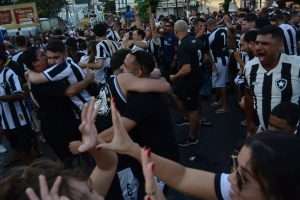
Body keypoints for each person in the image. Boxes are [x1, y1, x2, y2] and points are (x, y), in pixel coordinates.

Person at [75, 96, 300, 200]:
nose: (229, 179)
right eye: (235, 168)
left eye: (243, 178)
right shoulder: (237, 191)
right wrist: (132, 149)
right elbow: (183, 176)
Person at [244, 25, 300, 135]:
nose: (258, 48)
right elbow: (249, 97)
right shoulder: (250, 67)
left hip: (293, 137)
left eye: (265, 44)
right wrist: (250, 123)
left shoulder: (296, 65)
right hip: (263, 133)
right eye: (257, 43)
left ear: (280, 46)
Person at [26, 39, 91, 116]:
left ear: (65, 54)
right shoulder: (68, 61)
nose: (52, 61)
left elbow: (35, 79)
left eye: (56, 57)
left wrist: (29, 72)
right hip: (86, 107)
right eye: (49, 58)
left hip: (88, 109)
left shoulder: (62, 67)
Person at [170, 20, 201, 147]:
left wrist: (174, 76)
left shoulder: (184, 45)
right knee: (186, 101)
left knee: (192, 109)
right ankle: (191, 121)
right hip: (196, 78)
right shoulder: (194, 40)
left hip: (190, 80)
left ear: (176, 31)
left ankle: (192, 137)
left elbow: (187, 68)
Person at [0, 51, 34, 165]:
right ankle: (19, 158)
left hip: (19, 119)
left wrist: (2, 98)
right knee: (14, 144)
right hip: (5, 120)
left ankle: (31, 171)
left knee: (25, 147)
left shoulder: (9, 74)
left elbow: (20, 94)